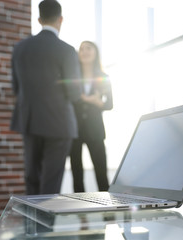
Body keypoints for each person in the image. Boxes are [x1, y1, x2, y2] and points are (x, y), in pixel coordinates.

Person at [10, 0, 81, 195]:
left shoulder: (20, 48)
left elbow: (16, 87)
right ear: (61, 19)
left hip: (30, 120)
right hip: (58, 124)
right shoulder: (66, 50)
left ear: (39, 19)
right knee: (51, 182)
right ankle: (46, 226)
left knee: (32, 177)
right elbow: (74, 93)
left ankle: (31, 225)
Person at [70, 41, 113, 192]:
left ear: (95, 53)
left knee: (101, 174)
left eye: (88, 48)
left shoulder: (103, 76)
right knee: (77, 175)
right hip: (75, 130)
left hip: (95, 130)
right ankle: (80, 213)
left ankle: (108, 213)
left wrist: (96, 102)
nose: (84, 51)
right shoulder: (73, 76)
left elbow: (110, 104)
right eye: (81, 49)